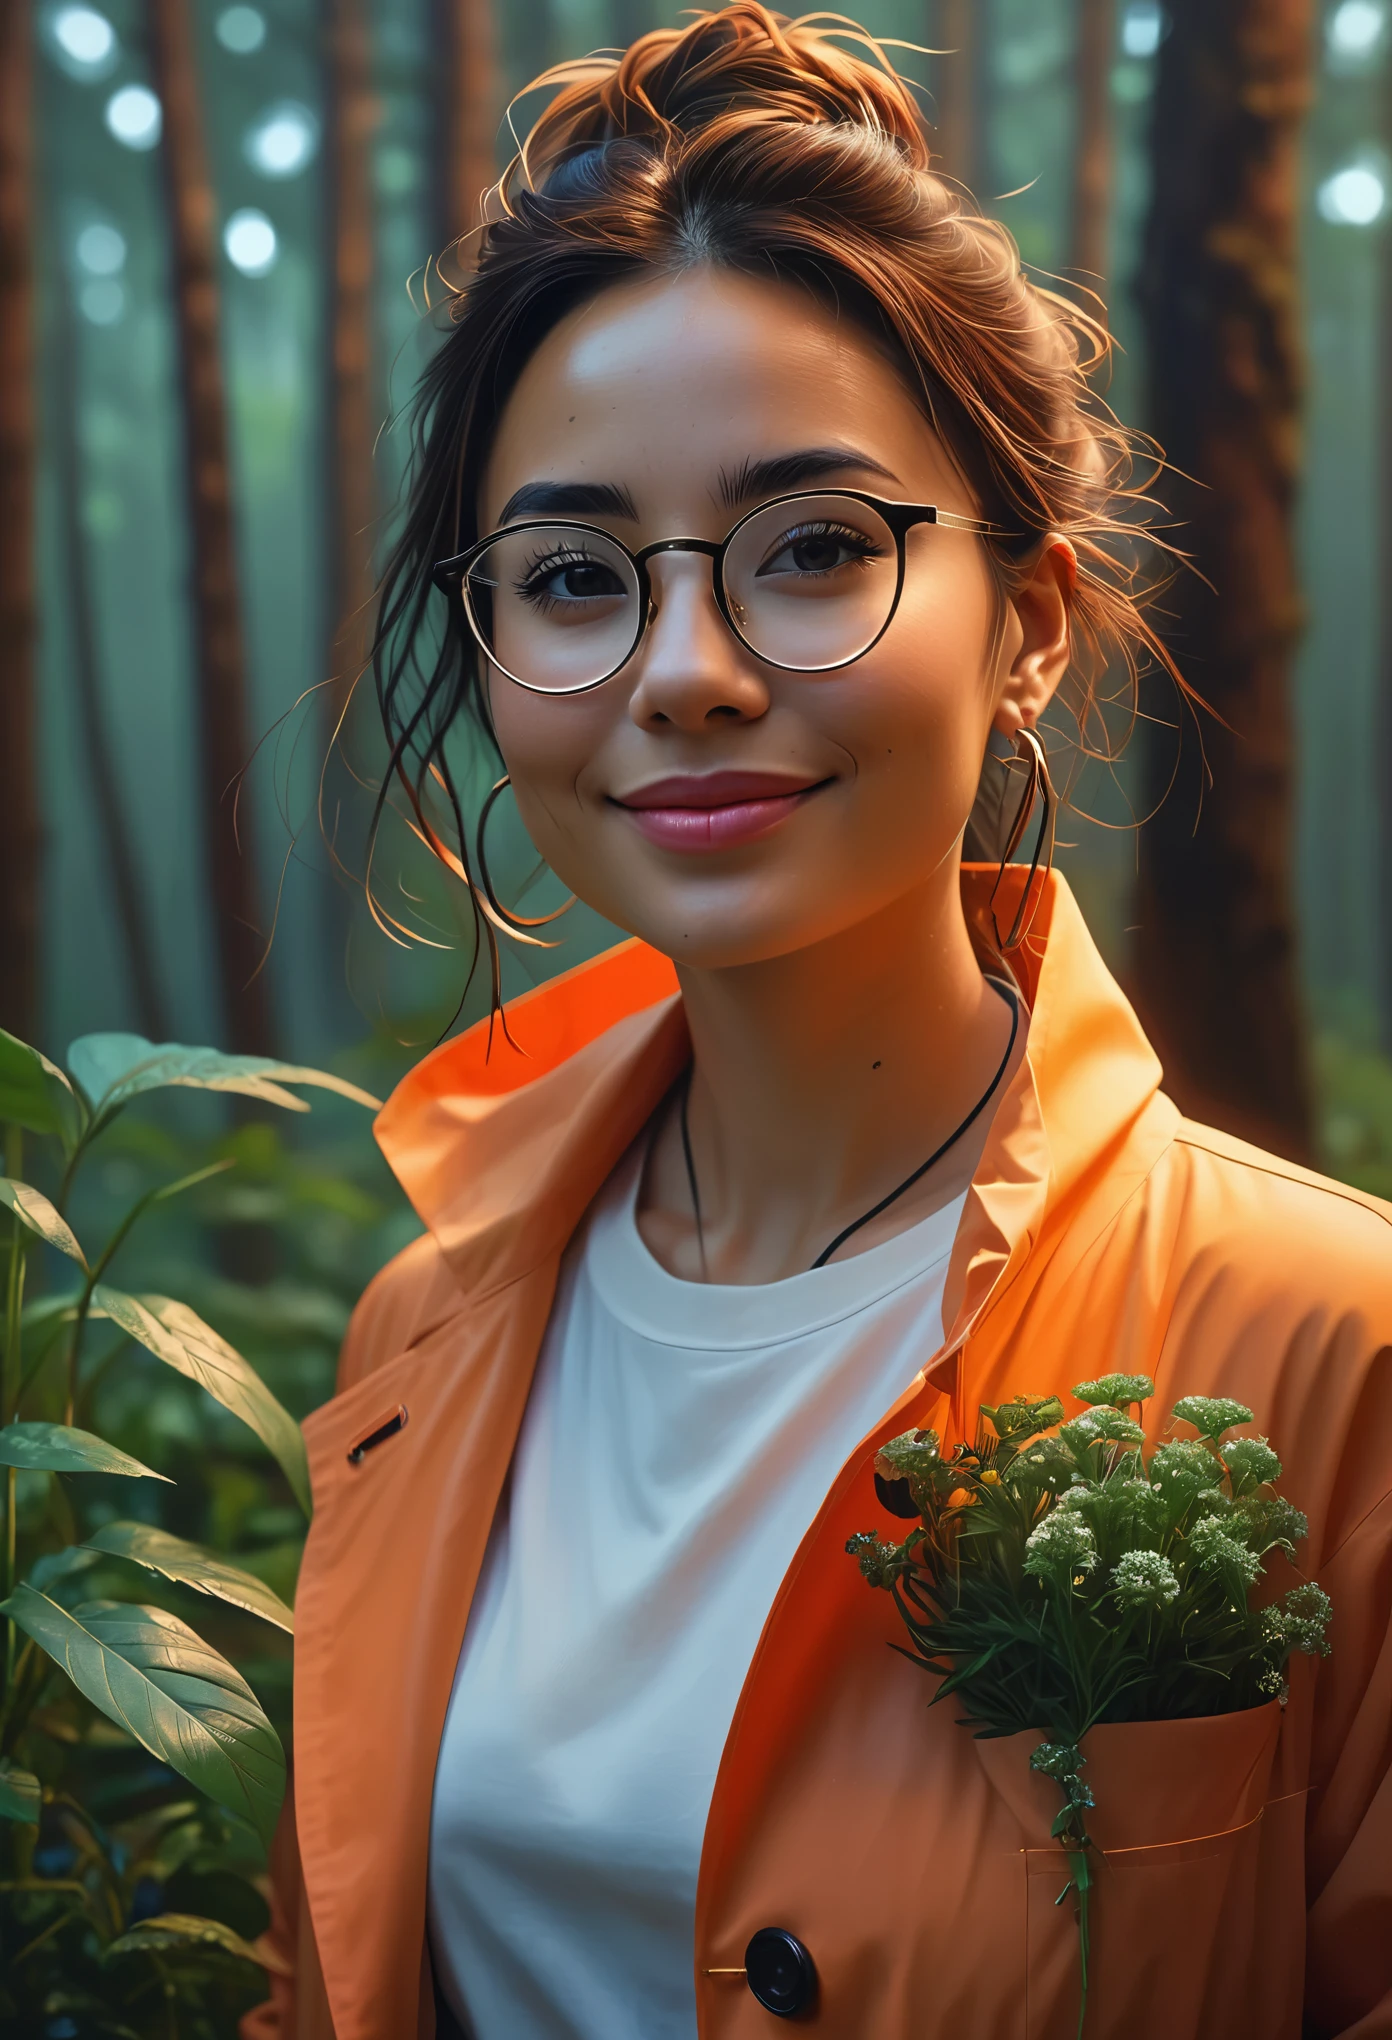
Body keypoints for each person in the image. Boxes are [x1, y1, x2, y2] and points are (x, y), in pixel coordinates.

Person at [244, 9, 1392, 2037]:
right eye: (577, 576)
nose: (682, 669)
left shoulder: (1322, 1342)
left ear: (1026, 623)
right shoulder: (418, 1332)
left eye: (812, 550)